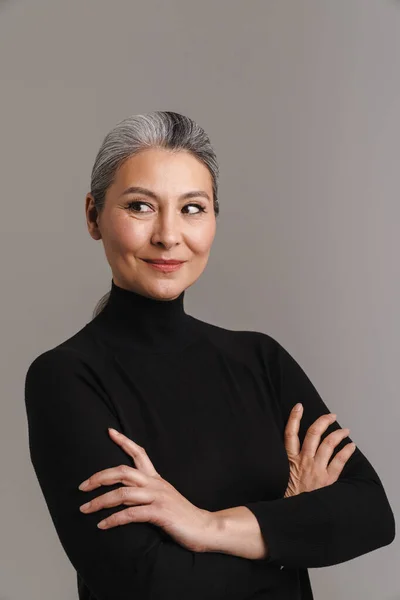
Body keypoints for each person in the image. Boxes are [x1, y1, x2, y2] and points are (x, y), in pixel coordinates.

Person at [24, 111, 395, 600]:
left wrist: (206, 526)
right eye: (140, 206)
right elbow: (146, 583)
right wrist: (289, 528)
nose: (168, 235)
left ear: (215, 217)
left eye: (192, 208)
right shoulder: (65, 378)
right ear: (93, 215)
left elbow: (372, 515)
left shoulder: (260, 359)